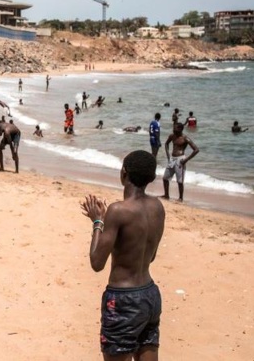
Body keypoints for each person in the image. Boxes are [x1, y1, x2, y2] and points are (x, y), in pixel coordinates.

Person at [80, 150, 165, 360]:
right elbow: (150, 256)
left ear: (123, 173)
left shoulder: (118, 211)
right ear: (151, 178)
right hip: (150, 295)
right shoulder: (158, 207)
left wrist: (98, 221)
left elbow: (96, 262)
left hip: (123, 300)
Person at [162, 123, 200, 202]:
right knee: (165, 178)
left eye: (175, 128)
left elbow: (196, 149)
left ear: (180, 129)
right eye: (173, 128)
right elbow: (166, 144)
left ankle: (180, 198)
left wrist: (186, 159)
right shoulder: (172, 136)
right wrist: (168, 155)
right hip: (172, 159)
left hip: (181, 159)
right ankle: (166, 195)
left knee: (180, 181)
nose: (173, 129)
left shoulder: (185, 138)